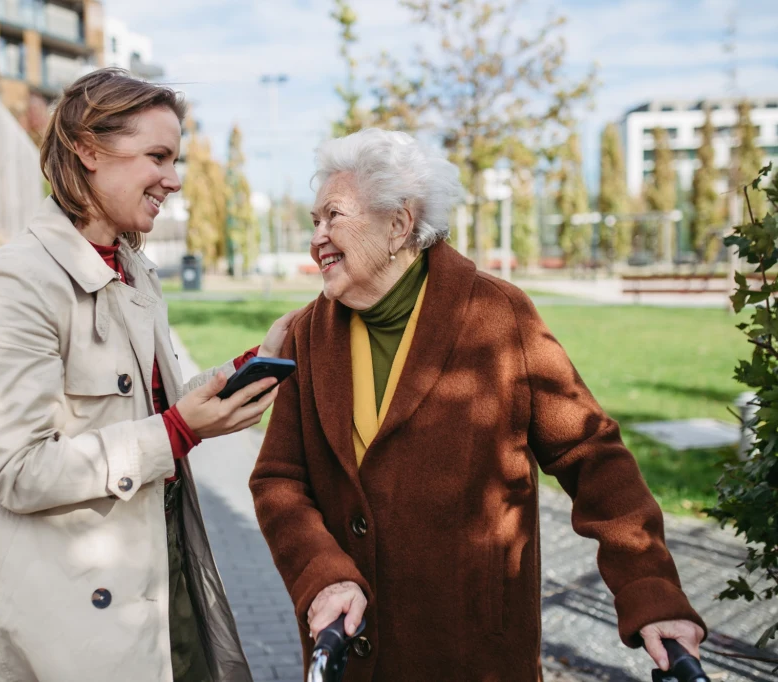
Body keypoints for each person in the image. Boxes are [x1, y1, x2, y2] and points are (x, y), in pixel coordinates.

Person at [249, 128, 706, 681]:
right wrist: (321, 573)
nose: (317, 236)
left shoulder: (498, 315)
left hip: (473, 652)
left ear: (398, 224)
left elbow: (592, 455)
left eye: (333, 216)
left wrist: (649, 588)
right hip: (350, 650)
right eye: (314, 221)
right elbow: (278, 479)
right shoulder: (307, 334)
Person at [0, 69, 293, 682]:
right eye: (157, 156)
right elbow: (16, 471)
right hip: (65, 621)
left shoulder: (132, 268)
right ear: (86, 147)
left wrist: (243, 368)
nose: (175, 180)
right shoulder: (14, 286)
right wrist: (181, 433)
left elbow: (148, 409)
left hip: (156, 582)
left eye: (176, 158)